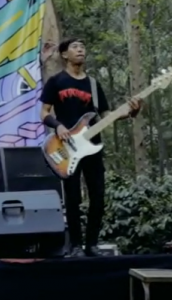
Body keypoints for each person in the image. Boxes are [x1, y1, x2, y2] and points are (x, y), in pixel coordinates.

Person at [39, 37, 142, 257]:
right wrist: (58, 126)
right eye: (75, 47)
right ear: (64, 54)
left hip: (92, 147)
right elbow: (44, 113)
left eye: (83, 47)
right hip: (66, 147)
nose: (80, 50)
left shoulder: (93, 85)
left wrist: (132, 112)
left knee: (98, 196)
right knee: (73, 198)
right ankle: (75, 246)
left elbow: (107, 115)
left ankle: (92, 244)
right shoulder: (56, 82)